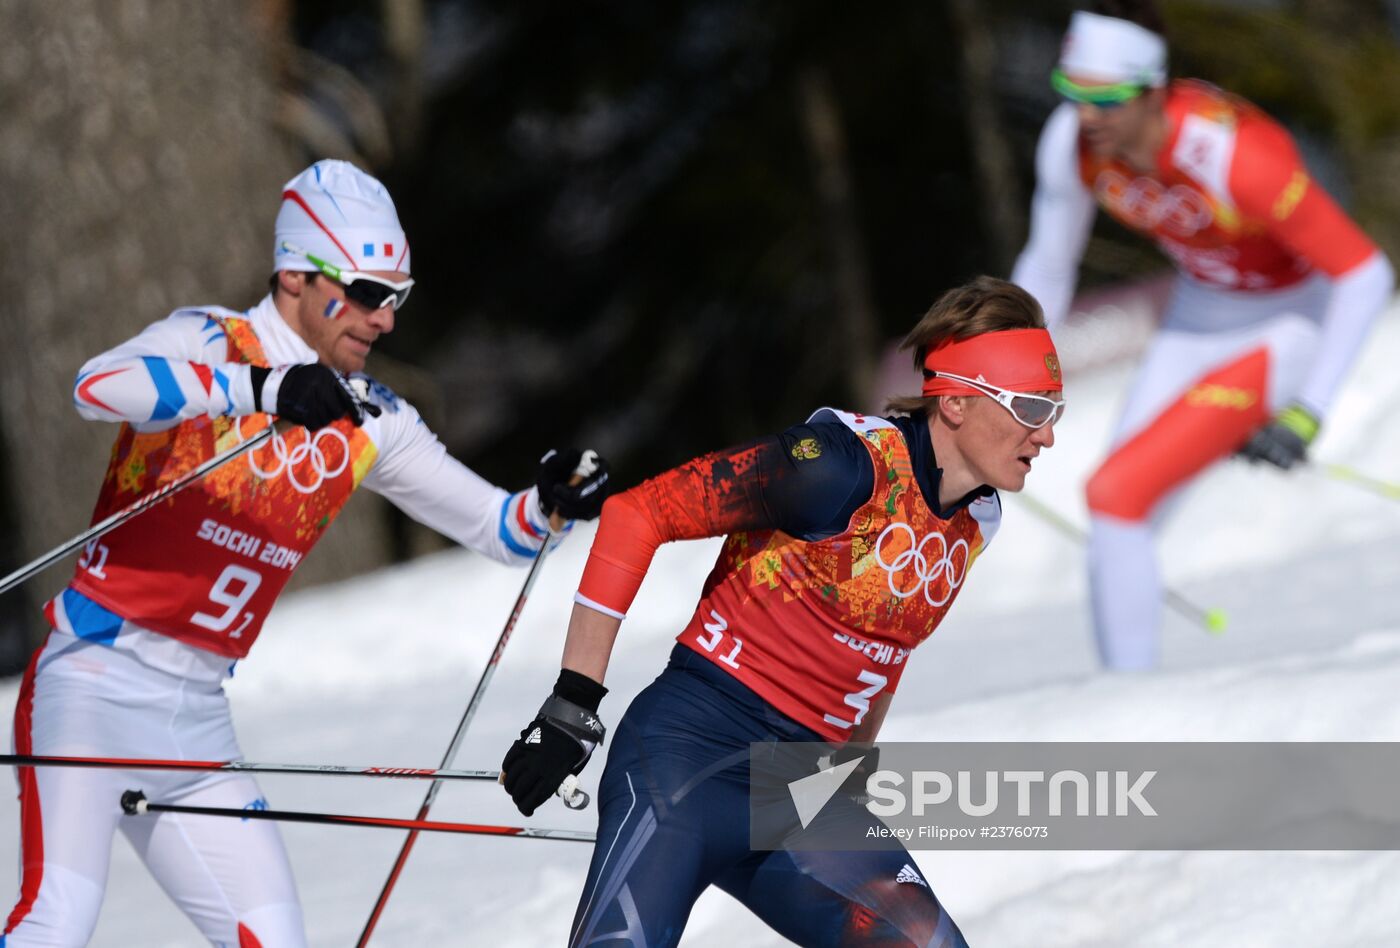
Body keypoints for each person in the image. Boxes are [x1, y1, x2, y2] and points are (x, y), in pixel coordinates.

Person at [2, 159, 609, 947]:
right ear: (295, 273)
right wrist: (261, 389)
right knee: (58, 919)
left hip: (194, 721)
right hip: (90, 682)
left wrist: (553, 500)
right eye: (366, 293)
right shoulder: (212, 339)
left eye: (396, 299)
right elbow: (96, 386)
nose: (384, 319)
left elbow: (501, 529)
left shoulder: (370, 416)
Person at [500, 277, 1062, 947]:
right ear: (959, 403)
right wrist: (572, 704)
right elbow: (636, 513)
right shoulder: (836, 468)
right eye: (1031, 407)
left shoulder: (977, 519)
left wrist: (853, 765)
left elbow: (885, 647)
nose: (1048, 435)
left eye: (1055, 407)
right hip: (688, 757)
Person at [1010, 1, 1395, 670]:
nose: (1088, 114)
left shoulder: (1234, 157)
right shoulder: (1071, 143)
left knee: (1115, 495)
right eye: (1074, 93)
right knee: (1114, 517)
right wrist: (1002, 361)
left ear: (1153, 90)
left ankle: (1133, 703)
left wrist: (1311, 412)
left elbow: (1365, 273)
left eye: (1107, 98)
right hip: (1197, 316)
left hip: (1283, 324)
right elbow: (1048, 266)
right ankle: (1129, 699)